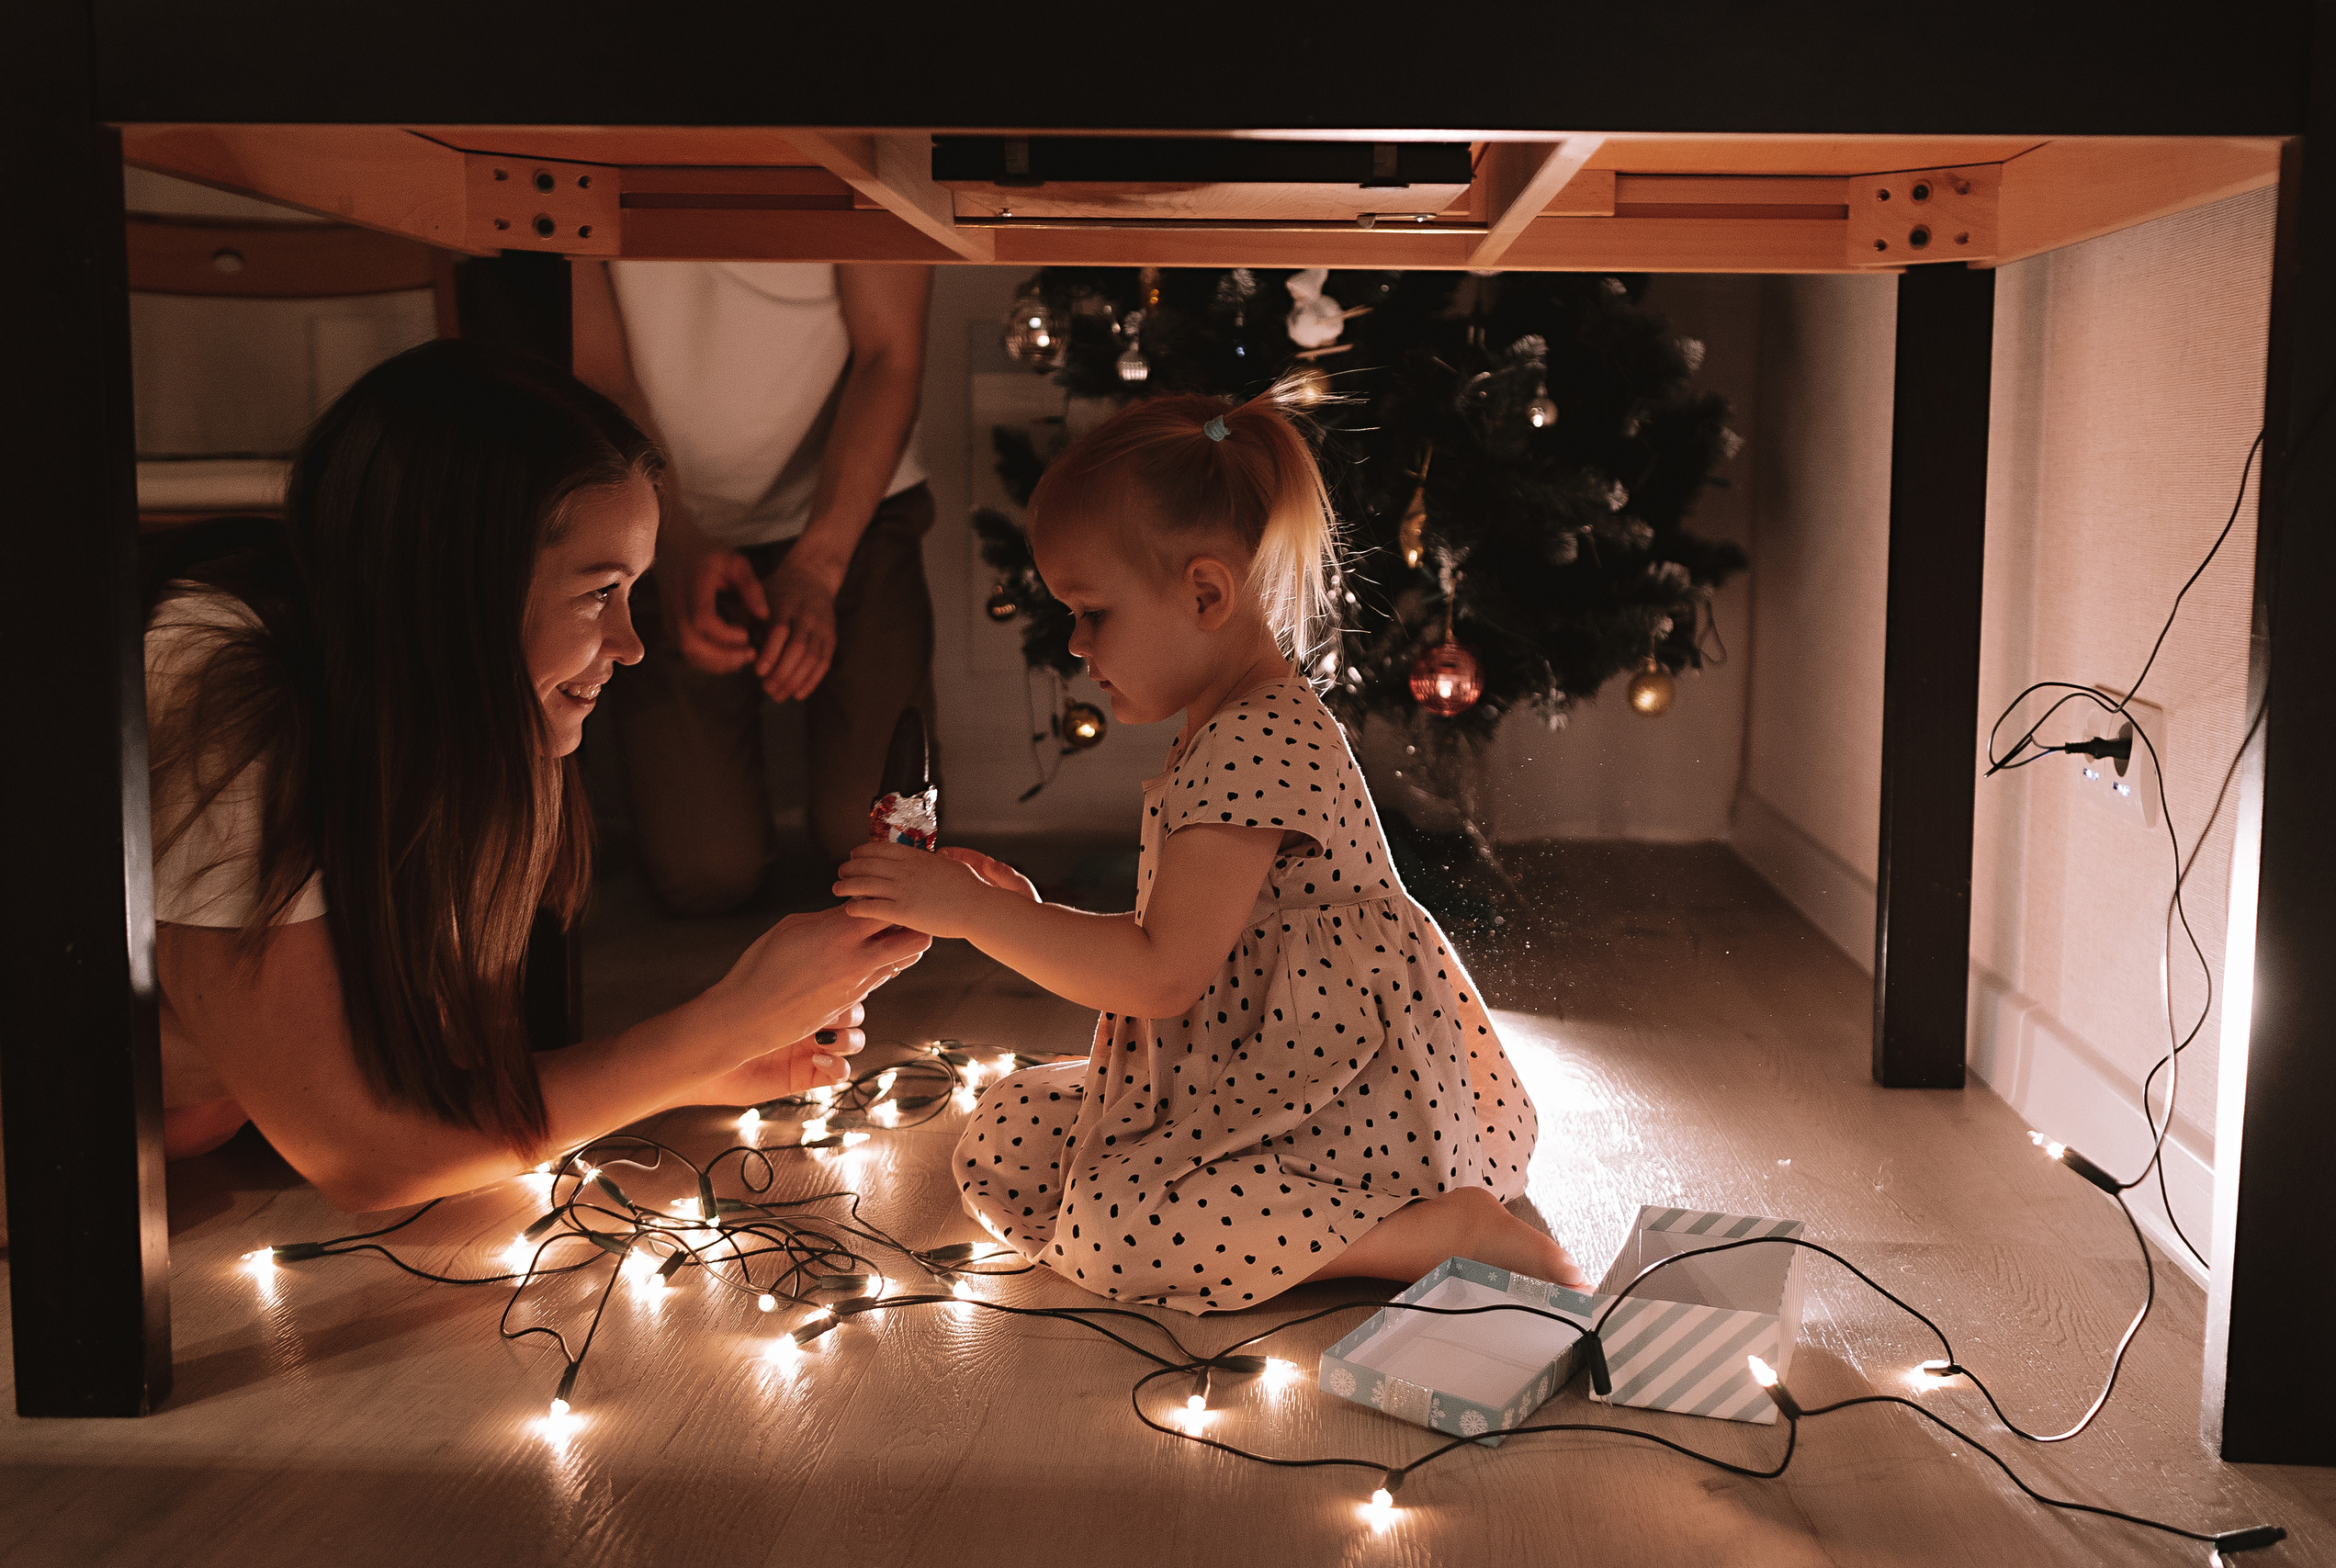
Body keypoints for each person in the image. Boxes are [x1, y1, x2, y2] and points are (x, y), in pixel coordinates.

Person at [833, 382, 1584, 1314]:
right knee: (1007, 1136)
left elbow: (1159, 976)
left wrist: (976, 917)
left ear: (1203, 591)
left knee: (1113, 1229)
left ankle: (1421, 1233)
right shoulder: (1230, 723)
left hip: (1345, 1099)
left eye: (1091, 612)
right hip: (1254, 1062)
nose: (1073, 643)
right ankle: (1322, 1219)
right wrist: (1024, 916)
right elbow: (1199, 938)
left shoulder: (1256, 740)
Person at [144, 339, 928, 1213]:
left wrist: (697, 1065)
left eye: (632, 592)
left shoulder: (458, 723)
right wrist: (716, 1025)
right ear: (463, 585)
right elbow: (363, 1150)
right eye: (599, 593)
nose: (631, 645)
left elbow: (450, 1084)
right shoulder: (215, 674)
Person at [570, 260, 937, 914]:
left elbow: (892, 358)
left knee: (882, 847)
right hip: (657, 508)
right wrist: (672, 542)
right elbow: (600, 376)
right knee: (706, 876)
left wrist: (818, 565)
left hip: (855, 504)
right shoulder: (575, 160)